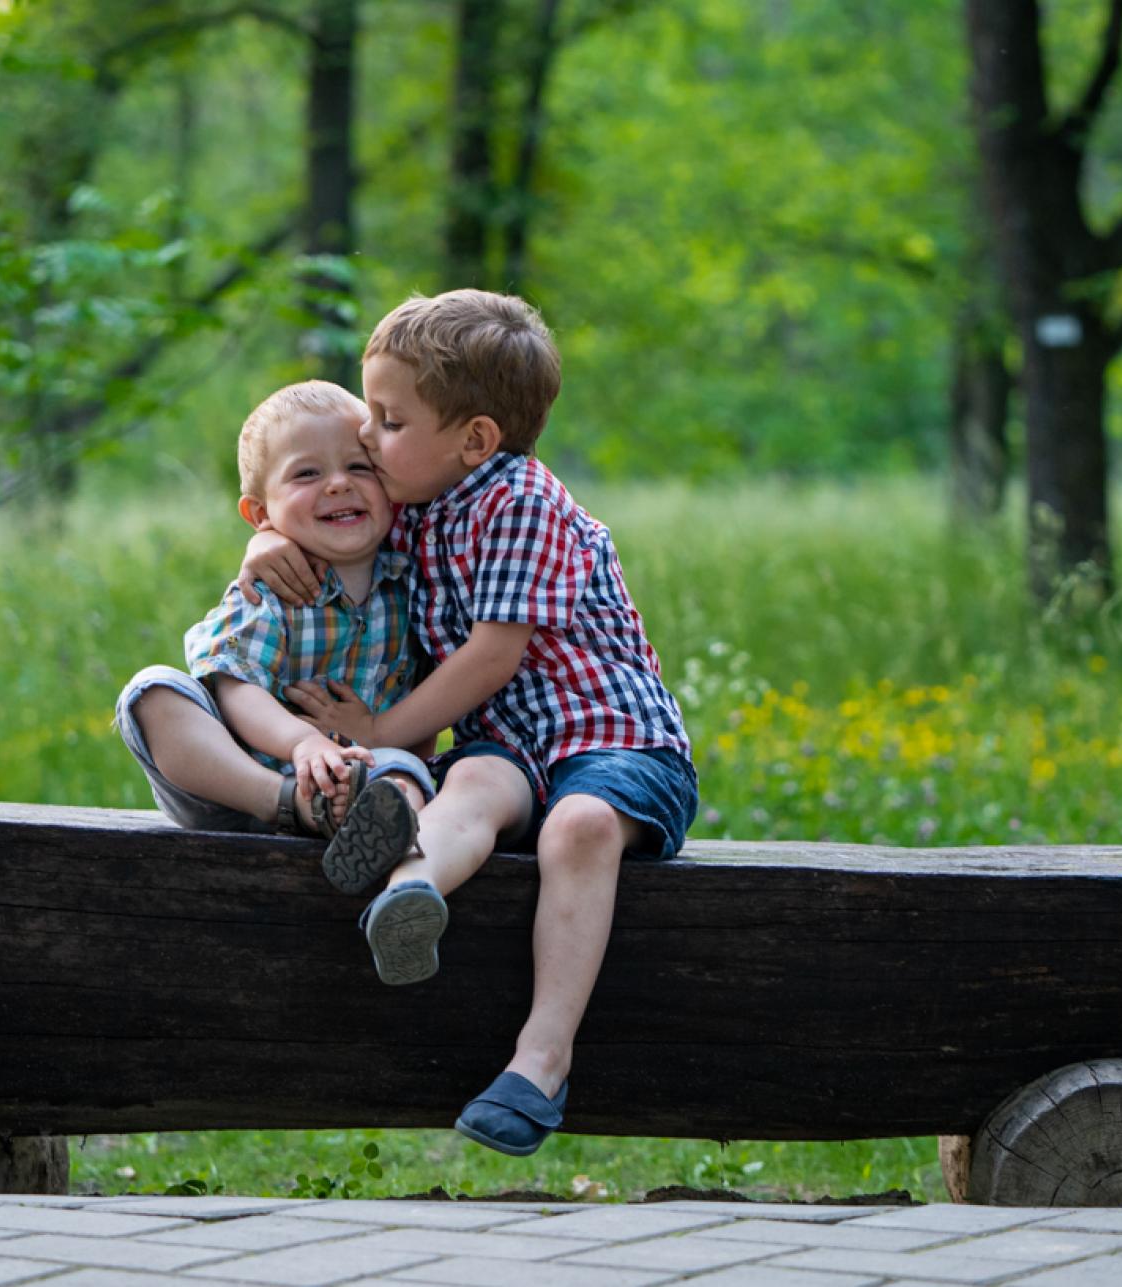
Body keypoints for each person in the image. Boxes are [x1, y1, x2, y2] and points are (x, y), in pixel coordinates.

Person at [238, 290, 697, 1156]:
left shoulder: (519, 499)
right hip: (514, 749)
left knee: (581, 824)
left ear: (474, 441)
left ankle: (539, 1061)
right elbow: (328, 531)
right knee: (473, 782)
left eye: (387, 419)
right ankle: (411, 888)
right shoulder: (415, 498)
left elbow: (492, 656)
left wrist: (377, 730)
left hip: (614, 741)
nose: (366, 440)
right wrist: (265, 546)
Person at [113, 380, 435, 891]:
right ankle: (291, 803)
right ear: (260, 514)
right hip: (235, 785)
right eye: (308, 473)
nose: (338, 484)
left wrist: (399, 756)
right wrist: (302, 744)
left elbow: (427, 697)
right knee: (151, 692)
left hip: (361, 780)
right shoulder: (270, 590)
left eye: (360, 467)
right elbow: (234, 686)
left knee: (404, 771)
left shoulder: (417, 583)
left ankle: (381, 833)